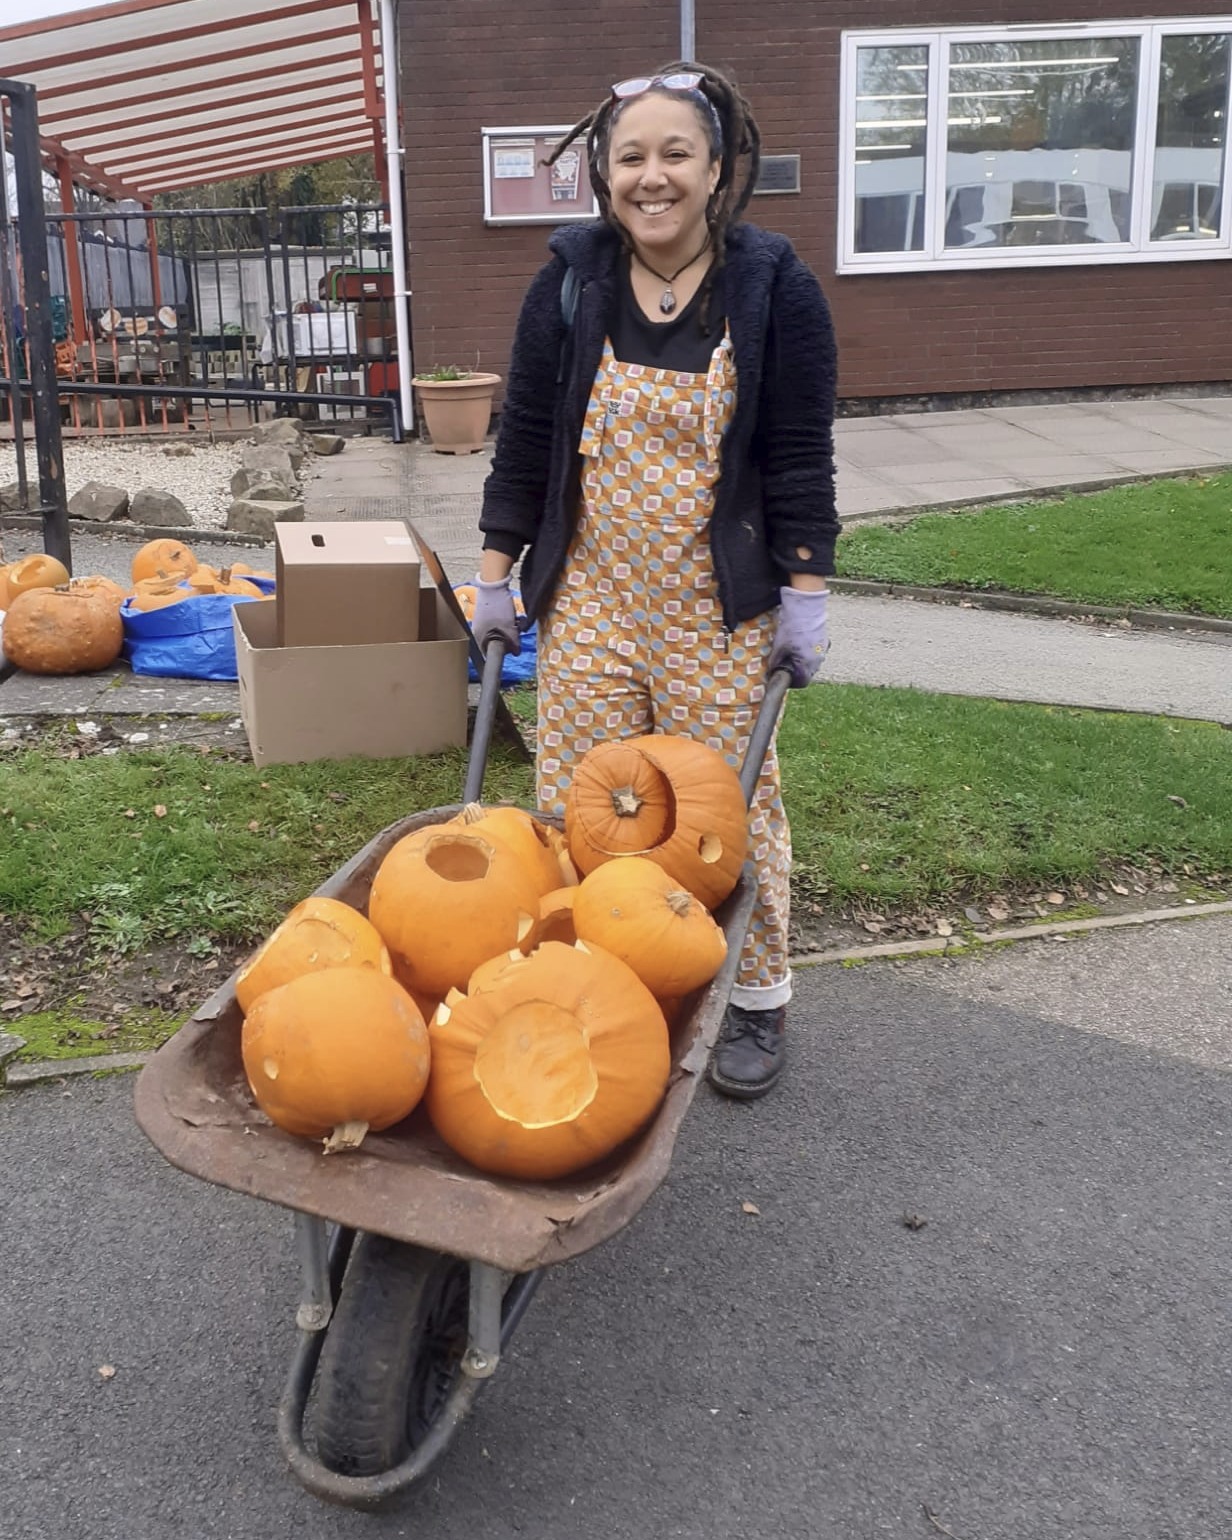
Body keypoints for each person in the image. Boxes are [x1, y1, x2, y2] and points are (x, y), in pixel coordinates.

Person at [471, 61, 839, 1100]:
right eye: (630, 155)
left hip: (716, 606)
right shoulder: (571, 280)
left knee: (723, 809)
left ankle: (754, 1000)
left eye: (675, 152)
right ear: (603, 171)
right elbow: (528, 444)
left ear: (716, 167)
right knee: (577, 801)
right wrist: (495, 578)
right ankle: (601, 977)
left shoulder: (772, 286)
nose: (651, 176)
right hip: (588, 593)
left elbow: (798, 454)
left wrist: (804, 590)